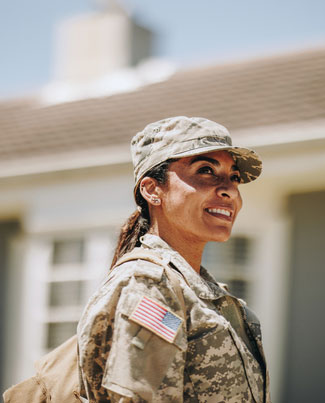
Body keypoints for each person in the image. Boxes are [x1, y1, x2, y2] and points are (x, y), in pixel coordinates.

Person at [76, 116, 269, 402]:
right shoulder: (149, 287)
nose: (229, 190)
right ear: (152, 190)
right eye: (206, 170)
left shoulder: (204, 294)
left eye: (234, 177)